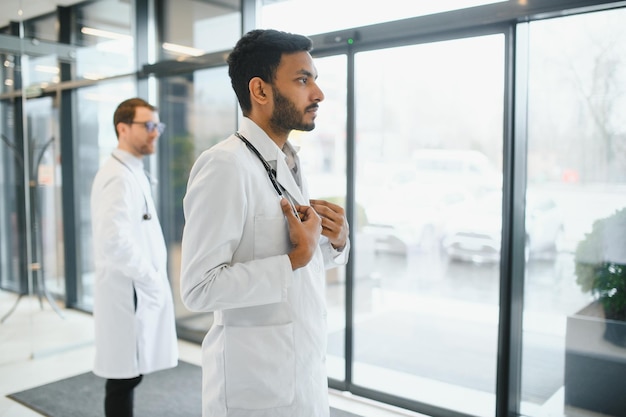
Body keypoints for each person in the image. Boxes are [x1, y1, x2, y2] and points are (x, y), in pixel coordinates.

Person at [179, 29, 350, 417]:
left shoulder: (286, 160)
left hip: (298, 375)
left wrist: (335, 242)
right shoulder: (224, 165)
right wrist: (294, 260)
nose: (318, 93)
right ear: (260, 90)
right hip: (255, 391)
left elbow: (291, 252)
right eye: (303, 80)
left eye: (315, 80)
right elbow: (198, 289)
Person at [90, 97, 178, 417]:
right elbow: (114, 241)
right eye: (149, 126)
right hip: (129, 292)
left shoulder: (132, 170)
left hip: (136, 290)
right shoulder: (118, 176)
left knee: (128, 374)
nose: (156, 132)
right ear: (123, 129)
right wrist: (150, 277)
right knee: (122, 378)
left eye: (158, 125)